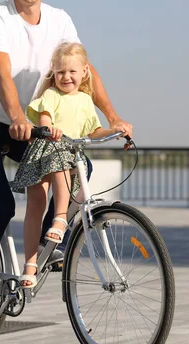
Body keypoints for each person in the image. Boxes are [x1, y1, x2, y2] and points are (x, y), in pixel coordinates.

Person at [0, 0, 133, 328]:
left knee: (77, 164)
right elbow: (2, 74)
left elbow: (84, 69)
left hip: (33, 124)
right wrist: (16, 118)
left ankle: (47, 245)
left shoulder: (59, 20)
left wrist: (113, 117)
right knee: (1, 205)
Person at [11, 42, 127, 288]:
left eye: (72, 72)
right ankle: (31, 263)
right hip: (43, 152)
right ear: (54, 73)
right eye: (61, 72)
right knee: (35, 206)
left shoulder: (85, 100)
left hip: (69, 154)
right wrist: (48, 126)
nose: (66, 77)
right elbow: (44, 116)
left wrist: (112, 131)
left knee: (80, 183)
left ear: (84, 72)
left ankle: (61, 221)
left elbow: (93, 130)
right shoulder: (51, 95)